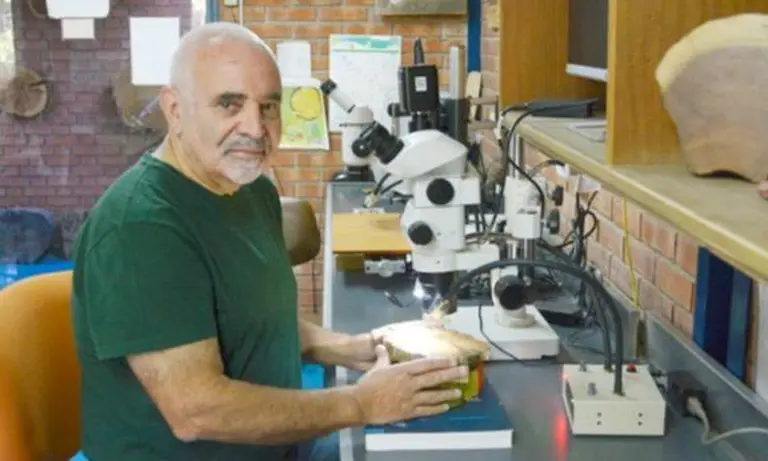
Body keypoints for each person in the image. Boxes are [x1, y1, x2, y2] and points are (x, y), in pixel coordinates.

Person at [69, 22, 468, 461]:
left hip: (281, 447)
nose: (255, 128)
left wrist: (341, 346)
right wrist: (361, 403)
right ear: (174, 109)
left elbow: (245, 319)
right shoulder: (141, 229)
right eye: (229, 104)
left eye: (269, 106)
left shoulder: (249, 189)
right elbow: (196, 412)